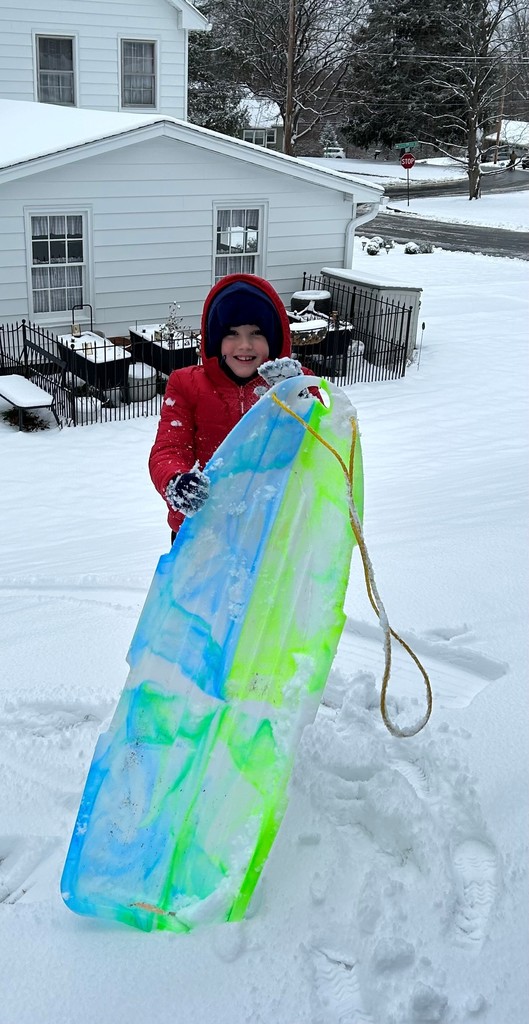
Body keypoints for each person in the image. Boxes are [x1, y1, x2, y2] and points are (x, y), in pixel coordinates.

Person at [149, 273, 313, 540]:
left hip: (272, 534)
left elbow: (318, 445)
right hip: (201, 533)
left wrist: (296, 399)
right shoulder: (186, 384)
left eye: (256, 333)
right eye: (232, 334)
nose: (245, 345)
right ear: (216, 340)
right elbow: (168, 448)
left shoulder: (295, 382)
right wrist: (176, 479)